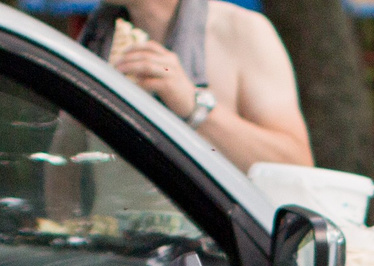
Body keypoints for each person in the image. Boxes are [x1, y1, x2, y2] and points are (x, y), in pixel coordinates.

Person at [82, 0, 313, 170]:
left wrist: (194, 107)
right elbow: (64, 160)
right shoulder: (96, 37)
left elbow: (295, 163)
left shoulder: (241, 30)